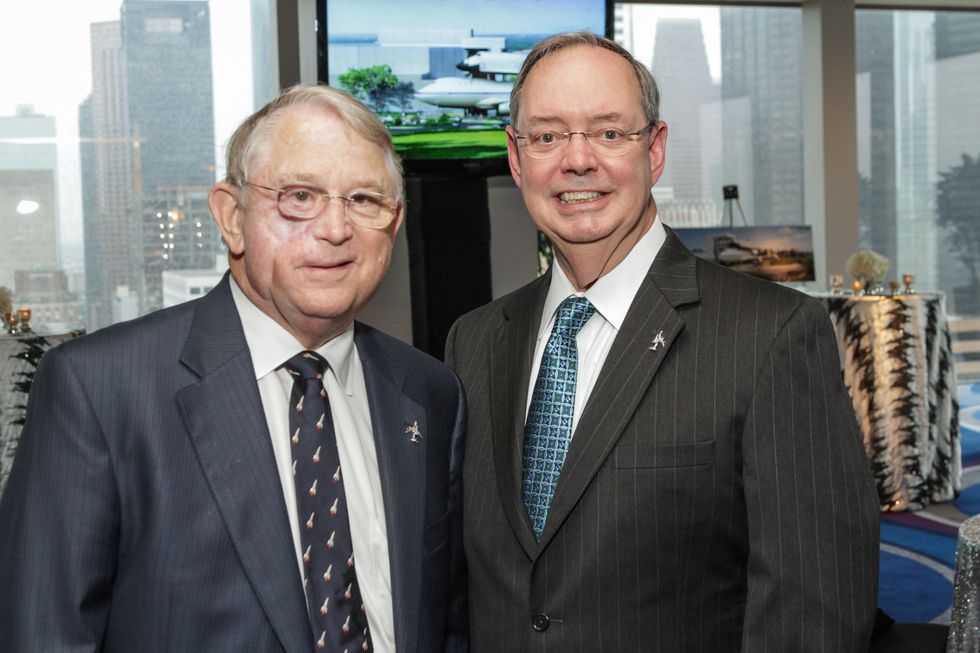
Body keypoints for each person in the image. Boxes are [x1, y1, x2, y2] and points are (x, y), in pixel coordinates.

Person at [445, 31, 879, 652]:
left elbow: (812, 615)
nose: (577, 160)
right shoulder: (473, 341)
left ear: (655, 150)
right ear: (516, 159)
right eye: (547, 136)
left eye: (609, 132)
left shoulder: (773, 335)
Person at [0, 85, 466, 653]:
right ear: (231, 216)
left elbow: (446, 622)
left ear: (393, 224)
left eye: (364, 199)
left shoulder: (430, 392)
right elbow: (44, 634)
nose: (335, 228)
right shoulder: (99, 389)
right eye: (299, 196)